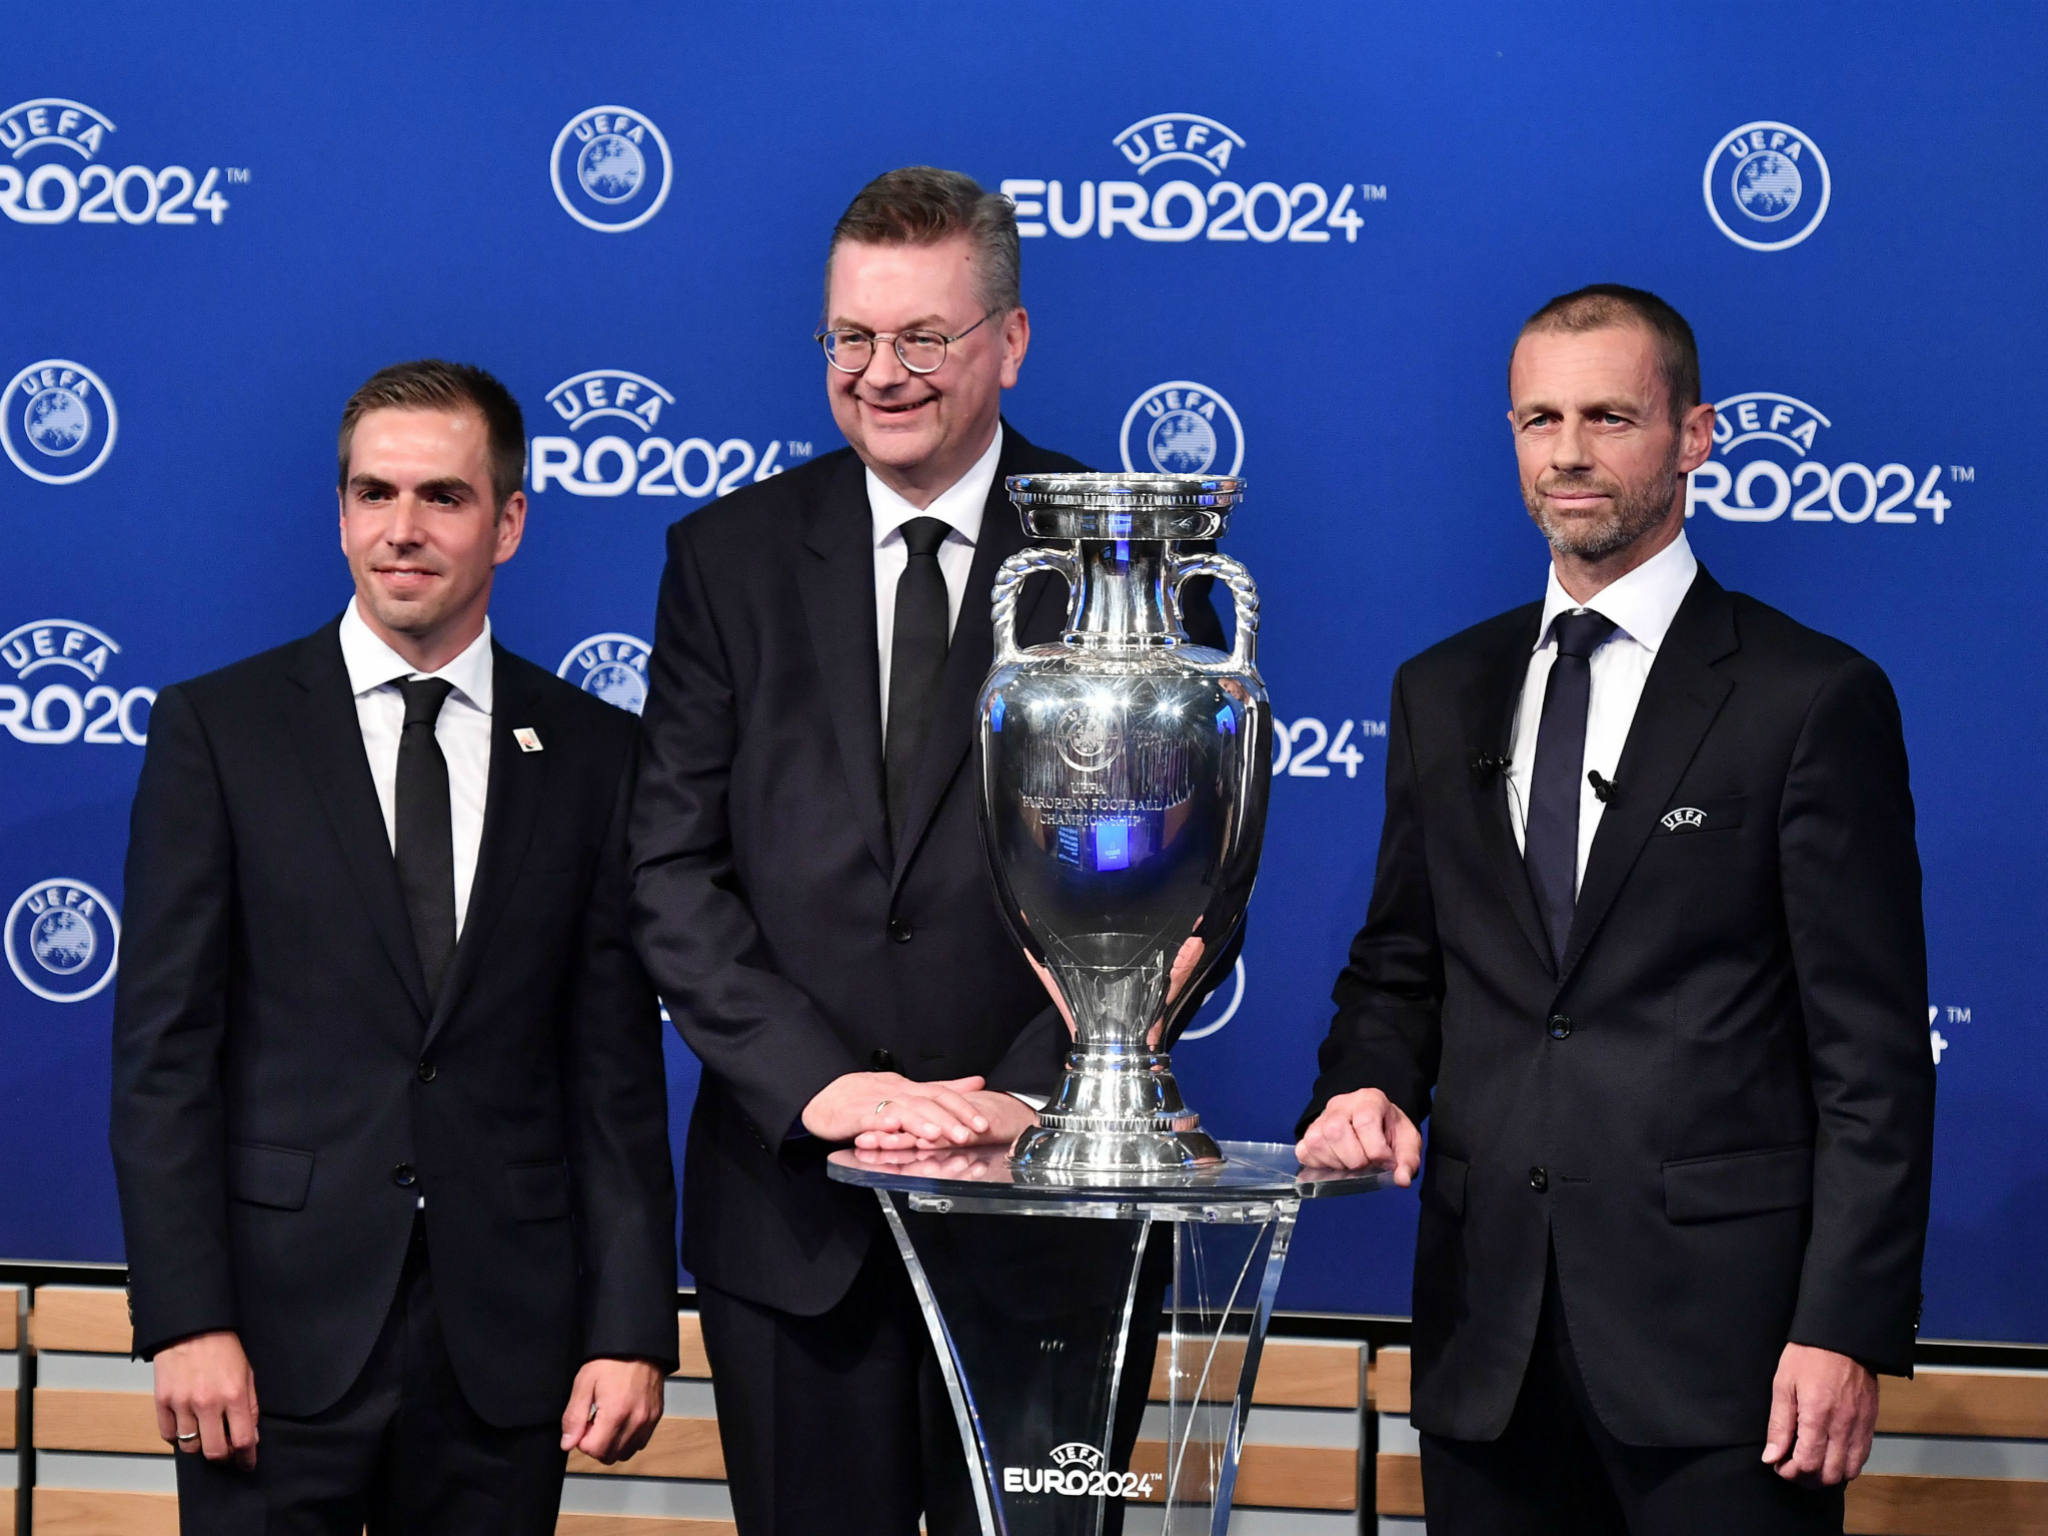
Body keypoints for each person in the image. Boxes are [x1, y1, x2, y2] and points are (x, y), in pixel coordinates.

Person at [628, 167, 1228, 1536]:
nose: (880, 374)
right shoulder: (726, 559)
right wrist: (831, 1086)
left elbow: (1198, 882)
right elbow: (668, 872)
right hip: (798, 1218)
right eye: (852, 337)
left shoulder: (1131, 551)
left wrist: (1038, 1099)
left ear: (1009, 343)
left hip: (1055, 1214)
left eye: (923, 338)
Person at [1295, 285, 1935, 1534]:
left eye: (1607, 416)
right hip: (1487, 1346)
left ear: (1693, 436)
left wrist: (1839, 1326)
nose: (1569, 454)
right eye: (1539, 419)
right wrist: (1359, 1084)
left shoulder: (1807, 699)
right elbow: (1400, 967)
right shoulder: (1442, 688)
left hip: (1728, 1364)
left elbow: (1869, 1056)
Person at [110, 360, 679, 1535]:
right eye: (373, 494)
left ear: (508, 521)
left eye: (442, 497)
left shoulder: (591, 753)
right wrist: (184, 1318)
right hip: (267, 1349)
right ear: (340, 512)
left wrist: (629, 1330)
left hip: (505, 1352)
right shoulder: (220, 731)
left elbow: (612, 1077)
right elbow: (165, 1057)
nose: (402, 531)